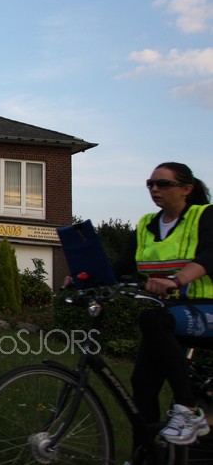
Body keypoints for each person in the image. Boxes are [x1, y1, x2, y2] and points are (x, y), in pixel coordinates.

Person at [114, 162, 213, 445]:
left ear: (186, 189)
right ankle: (144, 456)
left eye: (163, 184)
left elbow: (210, 255)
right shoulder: (146, 224)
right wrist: (83, 279)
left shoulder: (204, 215)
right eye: (150, 184)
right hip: (170, 316)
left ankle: (188, 411)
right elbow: (121, 268)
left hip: (206, 309)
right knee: (143, 383)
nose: (155, 189)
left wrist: (177, 280)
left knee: (152, 318)